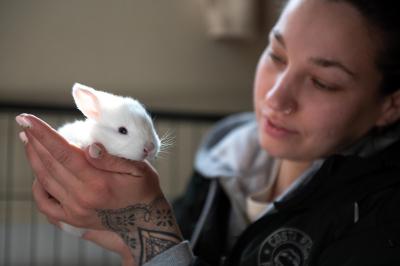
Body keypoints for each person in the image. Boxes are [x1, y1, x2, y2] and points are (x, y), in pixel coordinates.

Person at [15, 0, 400, 265]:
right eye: (277, 56)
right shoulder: (222, 159)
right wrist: (129, 236)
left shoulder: (379, 218)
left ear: (390, 105)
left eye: (322, 81)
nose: (275, 96)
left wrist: (154, 234)